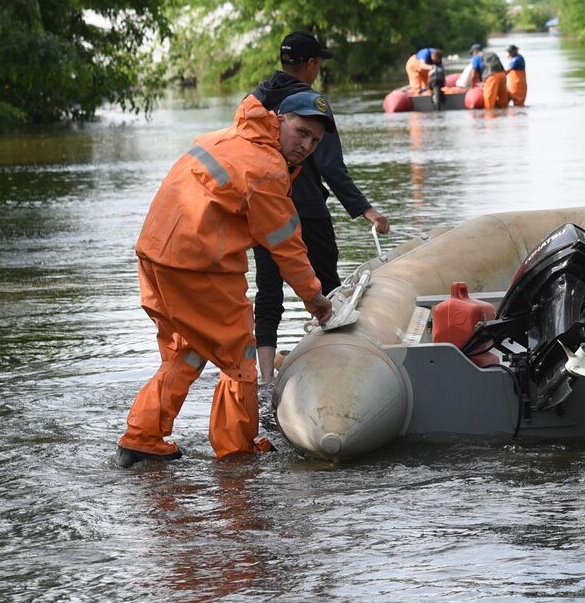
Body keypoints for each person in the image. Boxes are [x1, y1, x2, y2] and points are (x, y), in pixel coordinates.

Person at [115, 90, 338, 466]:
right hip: (197, 266)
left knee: (187, 348)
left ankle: (142, 437)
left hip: (154, 255)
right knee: (240, 358)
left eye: (315, 140)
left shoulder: (226, 137)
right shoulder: (266, 168)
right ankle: (237, 453)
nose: (306, 145)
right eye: (301, 132)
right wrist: (314, 298)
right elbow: (286, 245)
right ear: (280, 120)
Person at [249, 31, 391, 383]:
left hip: (263, 210)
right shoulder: (314, 106)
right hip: (306, 210)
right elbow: (330, 166)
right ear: (311, 64)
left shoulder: (255, 101)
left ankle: (265, 378)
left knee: (268, 293)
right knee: (328, 287)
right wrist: (366, 210)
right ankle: (337, 367)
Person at [480, 47, 508, 111]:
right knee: (503, 97)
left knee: (489, 97)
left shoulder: (480, 58)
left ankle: (489, 113)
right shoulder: (493, 55)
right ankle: (505, 114)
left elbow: (482, 69)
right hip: (502, 74)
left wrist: (483, 80)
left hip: (493, 76)